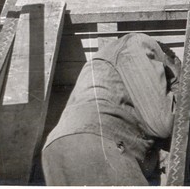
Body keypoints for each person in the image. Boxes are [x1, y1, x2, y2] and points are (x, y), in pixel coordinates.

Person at [41, 32, 182, 185]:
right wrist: (176, 87)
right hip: (95, 144)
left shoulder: (106, 65)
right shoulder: (137, 43)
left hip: (57, 150)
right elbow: (163, 122)